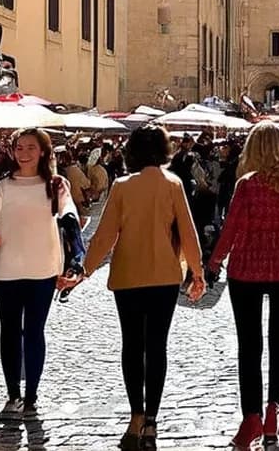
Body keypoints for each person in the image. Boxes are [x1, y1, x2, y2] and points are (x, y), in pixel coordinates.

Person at [79, 126, 205, 450]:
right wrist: (198, 272)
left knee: (132, 346)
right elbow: (189, 234)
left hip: (128, 277)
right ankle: (151, 421)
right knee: (157, 347)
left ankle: (135, 415)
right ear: (164, 150)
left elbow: (104, 236)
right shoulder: (173, 184)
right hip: (164, 276)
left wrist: (84, 270)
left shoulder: (122, 187)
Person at [207, 121, 279, 450]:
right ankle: (273, 411)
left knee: (250, 346)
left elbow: (230, 228)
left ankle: (251, 417)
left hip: (246, 272)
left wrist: (213, 264)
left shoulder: (247, 185)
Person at [0, 128, 79, 423]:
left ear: (43, 151)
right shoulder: (3, 186)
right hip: (7, 269)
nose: (24, 153)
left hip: (42, 269)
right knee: (9, 332)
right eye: (19, 147)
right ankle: (13, 394)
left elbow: (68, 214)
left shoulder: (56, 185)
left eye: (30, 148)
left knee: (34, 331)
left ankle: (32, 394)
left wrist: (76, 252)